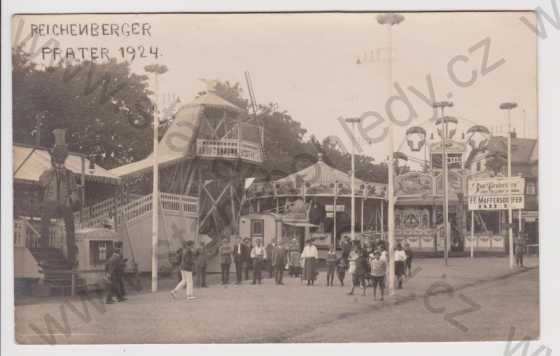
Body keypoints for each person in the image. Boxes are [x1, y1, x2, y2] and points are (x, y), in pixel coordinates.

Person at [39, 129, 80, 266]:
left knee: (70, 229)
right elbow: (42, 183)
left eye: (62, 157)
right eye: (58, 157)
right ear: (54, 158)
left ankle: (71, 258)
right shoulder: (47, 172)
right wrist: (52, 171)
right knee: (44, 226)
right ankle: (43, 257)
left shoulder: (70, 174)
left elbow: (75, 191)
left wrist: (71, 199)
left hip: (65, 204)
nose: (60, 160)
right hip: (50, 202)